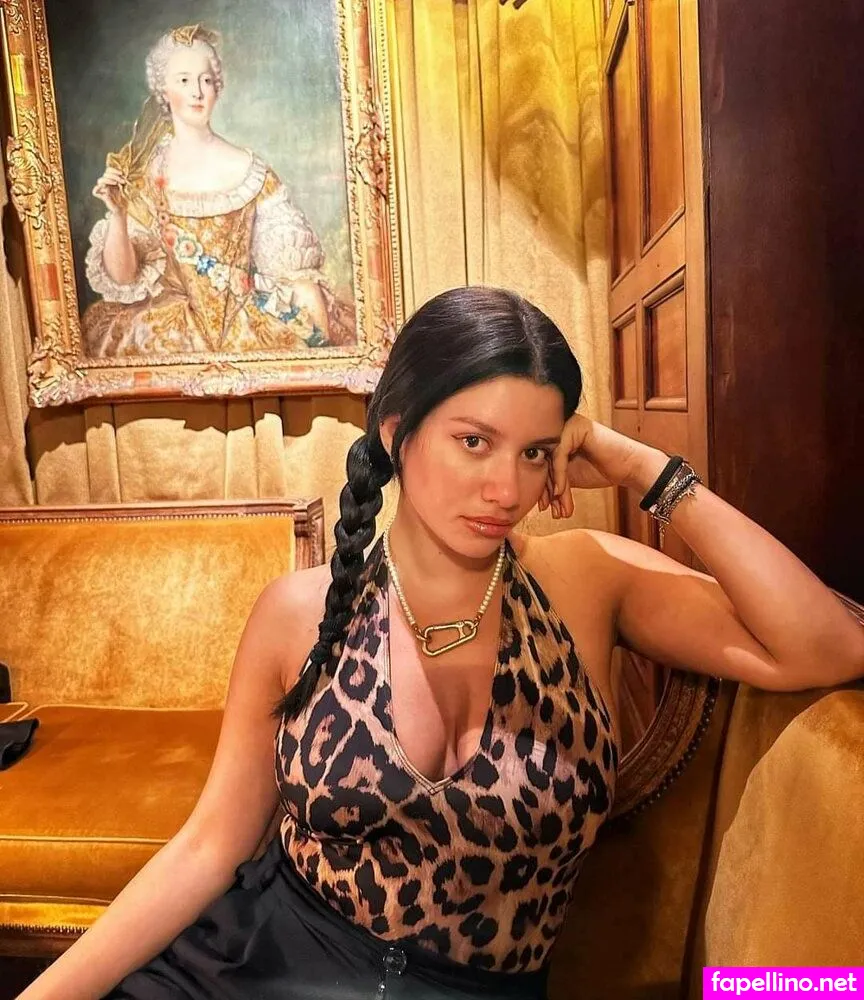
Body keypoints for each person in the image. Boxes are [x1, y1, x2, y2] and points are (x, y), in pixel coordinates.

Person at [19, 287, 863, 1000]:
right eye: (474, 441)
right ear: (397, 432)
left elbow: (825, 647)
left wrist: (642, 467)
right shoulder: (298, 613)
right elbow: (211, 846)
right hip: (259, 966)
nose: (506, 487)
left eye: (535, 452)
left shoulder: (586, 581)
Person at [83, 24, 353, 358]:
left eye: (206, 80)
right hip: (169, 330)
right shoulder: (146, 175)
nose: (197, 92)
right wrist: (118, 214)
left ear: (217, 87)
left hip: (246, 321)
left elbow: (291, 270)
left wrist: (309, 312)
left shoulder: (252, 172)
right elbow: (124, 278)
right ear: (164, 89)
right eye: (184, 80)